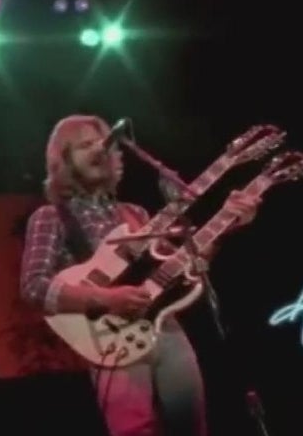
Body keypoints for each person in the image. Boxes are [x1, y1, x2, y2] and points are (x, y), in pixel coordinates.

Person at [18, 115, 261, 436]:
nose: (98, 150)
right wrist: (106, 298)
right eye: (84, 145)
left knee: (193, 427)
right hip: (109, 339)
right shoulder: (51, 216)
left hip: (166, 328)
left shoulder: (136, 214)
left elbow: (181, 268)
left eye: (103, 143)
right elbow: (34, 286)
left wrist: (226, 223)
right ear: (63, 160)